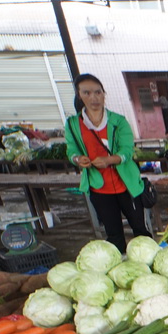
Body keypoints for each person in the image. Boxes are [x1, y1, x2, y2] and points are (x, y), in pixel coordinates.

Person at [64, 73, 151, 254]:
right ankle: (119, 263)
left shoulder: (118, 121)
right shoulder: (73, 124)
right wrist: (78, 159)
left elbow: (127, 151)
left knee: (140, 231)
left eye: (98, 92)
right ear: (79, 95)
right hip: (99, 187)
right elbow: (71, 150)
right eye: (87, 93)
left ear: (104, 94)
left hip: (127, 185)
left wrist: (110, 160)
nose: (93, 98)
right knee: (113, 235)